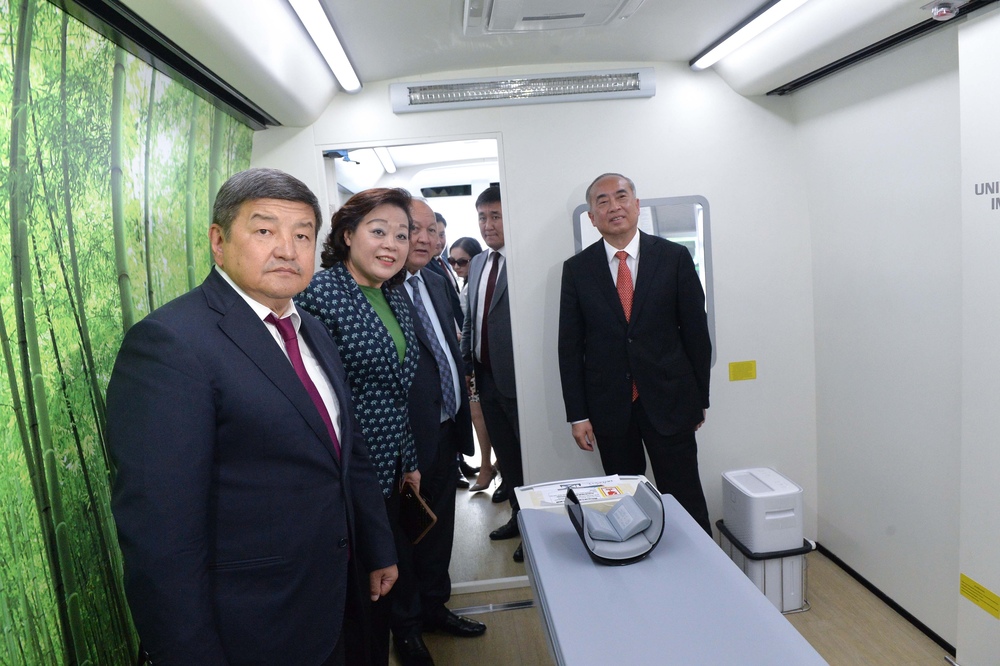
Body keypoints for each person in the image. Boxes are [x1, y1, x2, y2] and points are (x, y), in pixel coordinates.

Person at [106, 168, 397, 666]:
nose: (287, 250)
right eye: (264, 231)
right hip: (253, 626)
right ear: (218, 242)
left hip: (334, 595)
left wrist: (376, 546)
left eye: (302, 235)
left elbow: (346, 454)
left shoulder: (309, 329)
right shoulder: (171, 344)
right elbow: (162, 535)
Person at [295, 187, 421, 665]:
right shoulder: (318, 295)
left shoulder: (394, 295)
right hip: (345, 476)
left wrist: (408, 460)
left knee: (383, 584)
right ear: (347, 235)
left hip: (388, 471)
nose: (392, 244)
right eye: (379, 231)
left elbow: (397, 391)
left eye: (401, 235)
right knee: (357, 604)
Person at [557, 173, 713, 535]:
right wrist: (578, 414)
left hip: (671, 402)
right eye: (603, 201)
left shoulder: (674, 257)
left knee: (685, 498)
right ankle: (634, 562)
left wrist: (698, 399)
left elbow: (696, 335)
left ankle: (700, 564)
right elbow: (570, 347)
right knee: (623, 504)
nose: (614, 207)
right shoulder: (577, 270)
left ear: (637, 204)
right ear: (592, 217)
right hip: (609, 407)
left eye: (621, 196)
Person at [390, 199, 486, 665]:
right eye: (414, 229)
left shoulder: (434, 279)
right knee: (405, 536)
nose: (425, 239)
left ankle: (434, 607)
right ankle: (406, 628)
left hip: (447, 427)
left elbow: (449, 341)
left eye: (432, 230)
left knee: (440, 529)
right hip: (404, 442)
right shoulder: (376, 289)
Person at [460, 185, 524, 563]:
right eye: (482, 217)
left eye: (495, 216)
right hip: (484, 377)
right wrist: (467, 364)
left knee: (527, 458)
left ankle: (534, 529)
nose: (488, 225)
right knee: (508, 458)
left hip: (519, 380)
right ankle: (517, 517)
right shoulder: (479, 263)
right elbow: (471, 318)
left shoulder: (524, 259)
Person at [450, 237, 497, 494]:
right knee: (478, 415)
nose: (457, 267)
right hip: (471, 359)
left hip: (481, 361)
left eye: (462, 261)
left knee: (480, 416)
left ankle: (489, 466)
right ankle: (489, 465)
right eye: (452, 261)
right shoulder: (468, 284)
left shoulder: (475, 285)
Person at [424, 211, 463, 330]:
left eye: (442, 235)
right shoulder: (424, 267)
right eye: (433, 234)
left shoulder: (445, 261)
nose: (438, 242)